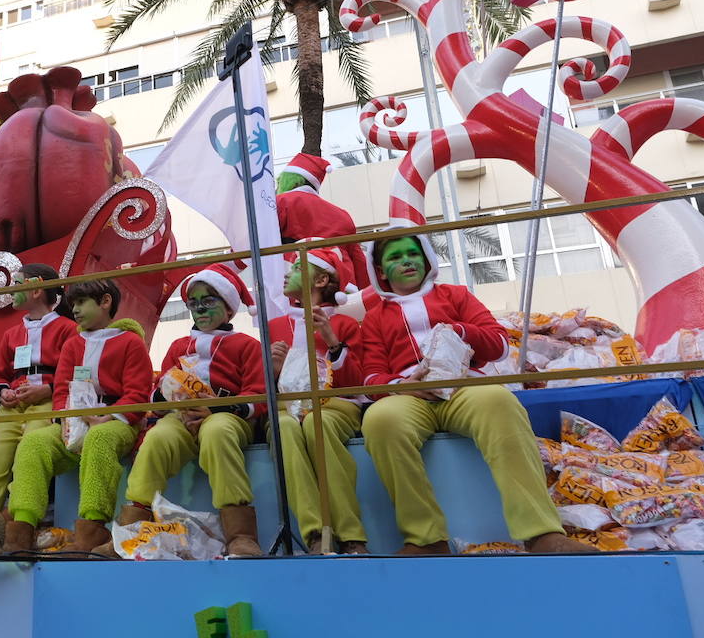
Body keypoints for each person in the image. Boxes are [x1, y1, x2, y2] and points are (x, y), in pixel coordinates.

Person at [358, 229, 595, 554]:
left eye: (412, 253)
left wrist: (460, 330)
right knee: (379, 420)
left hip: (465, 387)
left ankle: (541, 533)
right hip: (410, 398)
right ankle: (426, 539)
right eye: (395, 257)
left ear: (426, 259)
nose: (407, 261)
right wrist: (406, 387)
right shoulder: (374, 319)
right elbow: (371, 379)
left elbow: (498, 345)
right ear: (381, 271)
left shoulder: (456, 296)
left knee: (500, 402)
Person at [117, 264, 266, 557]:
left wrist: (218, 408)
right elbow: (157, 389)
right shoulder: (178, 345)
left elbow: (258, 393)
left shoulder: (247, 345)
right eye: (194, 302)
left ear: (228, 307)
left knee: (218, 431)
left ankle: (241, 534)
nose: (199, 308)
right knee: (157, 439)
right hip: (180, 416)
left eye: (208, 300)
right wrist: (163, 394)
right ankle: (132, 528)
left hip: (228, 416)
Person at [1, 278, 153, 556]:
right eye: (73, 305)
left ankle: (91, 531)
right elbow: (61, 389)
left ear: (105, 302)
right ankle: (20, 532)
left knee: (99, 438)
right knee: (33, 444)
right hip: (75, 421)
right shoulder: (73, 344)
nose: (76, 310)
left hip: (117, 422)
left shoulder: (131, 343)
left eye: (82, 302)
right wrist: (66, 420)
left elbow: (137, 393)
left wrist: (110, 417)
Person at [266, 244, 368, 554]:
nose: (289, 273)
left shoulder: (346, 324)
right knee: (283, 429)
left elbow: (358, 383)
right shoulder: (274, 327)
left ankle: (351, 535)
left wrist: (333, 344)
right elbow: (260, 389)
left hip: (334, 405)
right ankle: (314, 534)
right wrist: (273, 371)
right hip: (287, 406)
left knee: (315, 424)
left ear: (322, 280)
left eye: (297, 268)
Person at [0, 263, 79, 516]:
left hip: (46, 402)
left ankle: (18, 515)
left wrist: (49, 390)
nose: (12, 291)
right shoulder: (11, 333)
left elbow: (77, 372)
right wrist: (2, 393)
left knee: (28, 452)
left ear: (35, 288)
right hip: (13, 403)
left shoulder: (67, 329)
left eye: (17, 284)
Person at [275, 153, 369, 290]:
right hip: (340, 283)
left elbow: (255, 237)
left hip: (297, 279)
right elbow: (358, 261)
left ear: (291, 181)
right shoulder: (343, 215)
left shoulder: (282, 202)